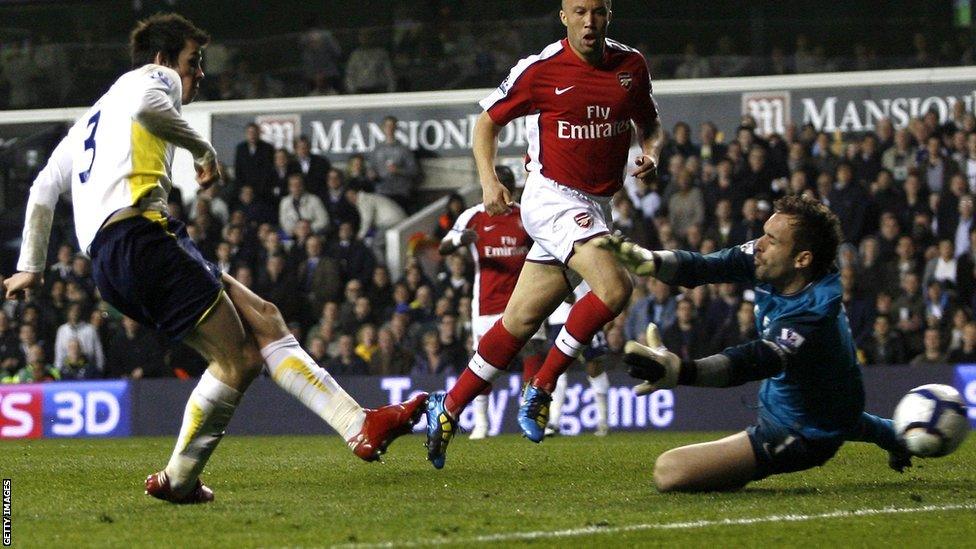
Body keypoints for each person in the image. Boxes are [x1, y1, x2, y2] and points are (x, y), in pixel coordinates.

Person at [2, 13, 425, 504]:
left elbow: (42, 190)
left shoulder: (90, 120)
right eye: (192, 62)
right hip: (142, 239)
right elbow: (146, 106)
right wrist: (204, 153)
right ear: (163, 59)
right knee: (238, 359)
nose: (198, 73)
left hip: (114, 259)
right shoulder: (149, 79)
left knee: (265, 318)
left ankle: (359, 423)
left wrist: (30, 267)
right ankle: (179, 479)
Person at [423, 0, 663, 468]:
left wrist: (650, 153)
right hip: (551, 197)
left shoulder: (631, 66)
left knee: (518, 323)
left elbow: (649, 124)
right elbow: (487, 122)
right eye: (579, 11)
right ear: (563, 15)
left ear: (609, 14)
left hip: (597, 205)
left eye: (597, 11)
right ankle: (543, 385)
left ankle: (447, 408)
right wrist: (490, 180)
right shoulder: (540, 70)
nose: (588, 21)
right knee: (616, 287)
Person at [597, 196, 913, 492]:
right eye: (764, 233)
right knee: (837, 413)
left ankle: (888, 435)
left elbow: (756, 360)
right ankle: (896, 435)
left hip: (799, 431)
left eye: (771, 240)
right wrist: (650, 261)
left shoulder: (814, 309)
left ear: (802, 259)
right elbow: (706, 266)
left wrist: (682, 371)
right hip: (824, 404)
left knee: (669, 471)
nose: (758, 245)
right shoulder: (775, 260)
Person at [438, 165, 532, 440]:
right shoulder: (474, 216)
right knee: (483, 360)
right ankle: (482, 423)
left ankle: (530, 413)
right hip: (487, 303)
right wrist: (459, 239)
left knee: (533, 350)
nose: (510, 193)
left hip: (524, 299)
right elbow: (444, 245)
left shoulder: (525, 215)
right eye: (507, 187)